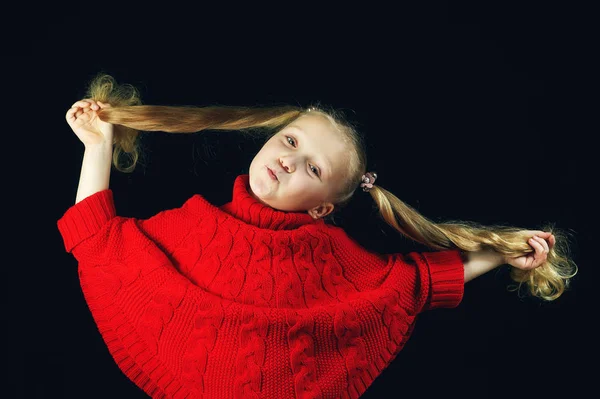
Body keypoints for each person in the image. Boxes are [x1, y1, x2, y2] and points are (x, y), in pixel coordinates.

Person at [58, 73, 578, 399]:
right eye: (290, 140)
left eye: (312, 167)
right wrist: (96, 145)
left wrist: (501, 254)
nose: (288, 159)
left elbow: (410, 287)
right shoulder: (193, 222)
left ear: (324, 206)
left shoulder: (332, 258)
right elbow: (100, 240)